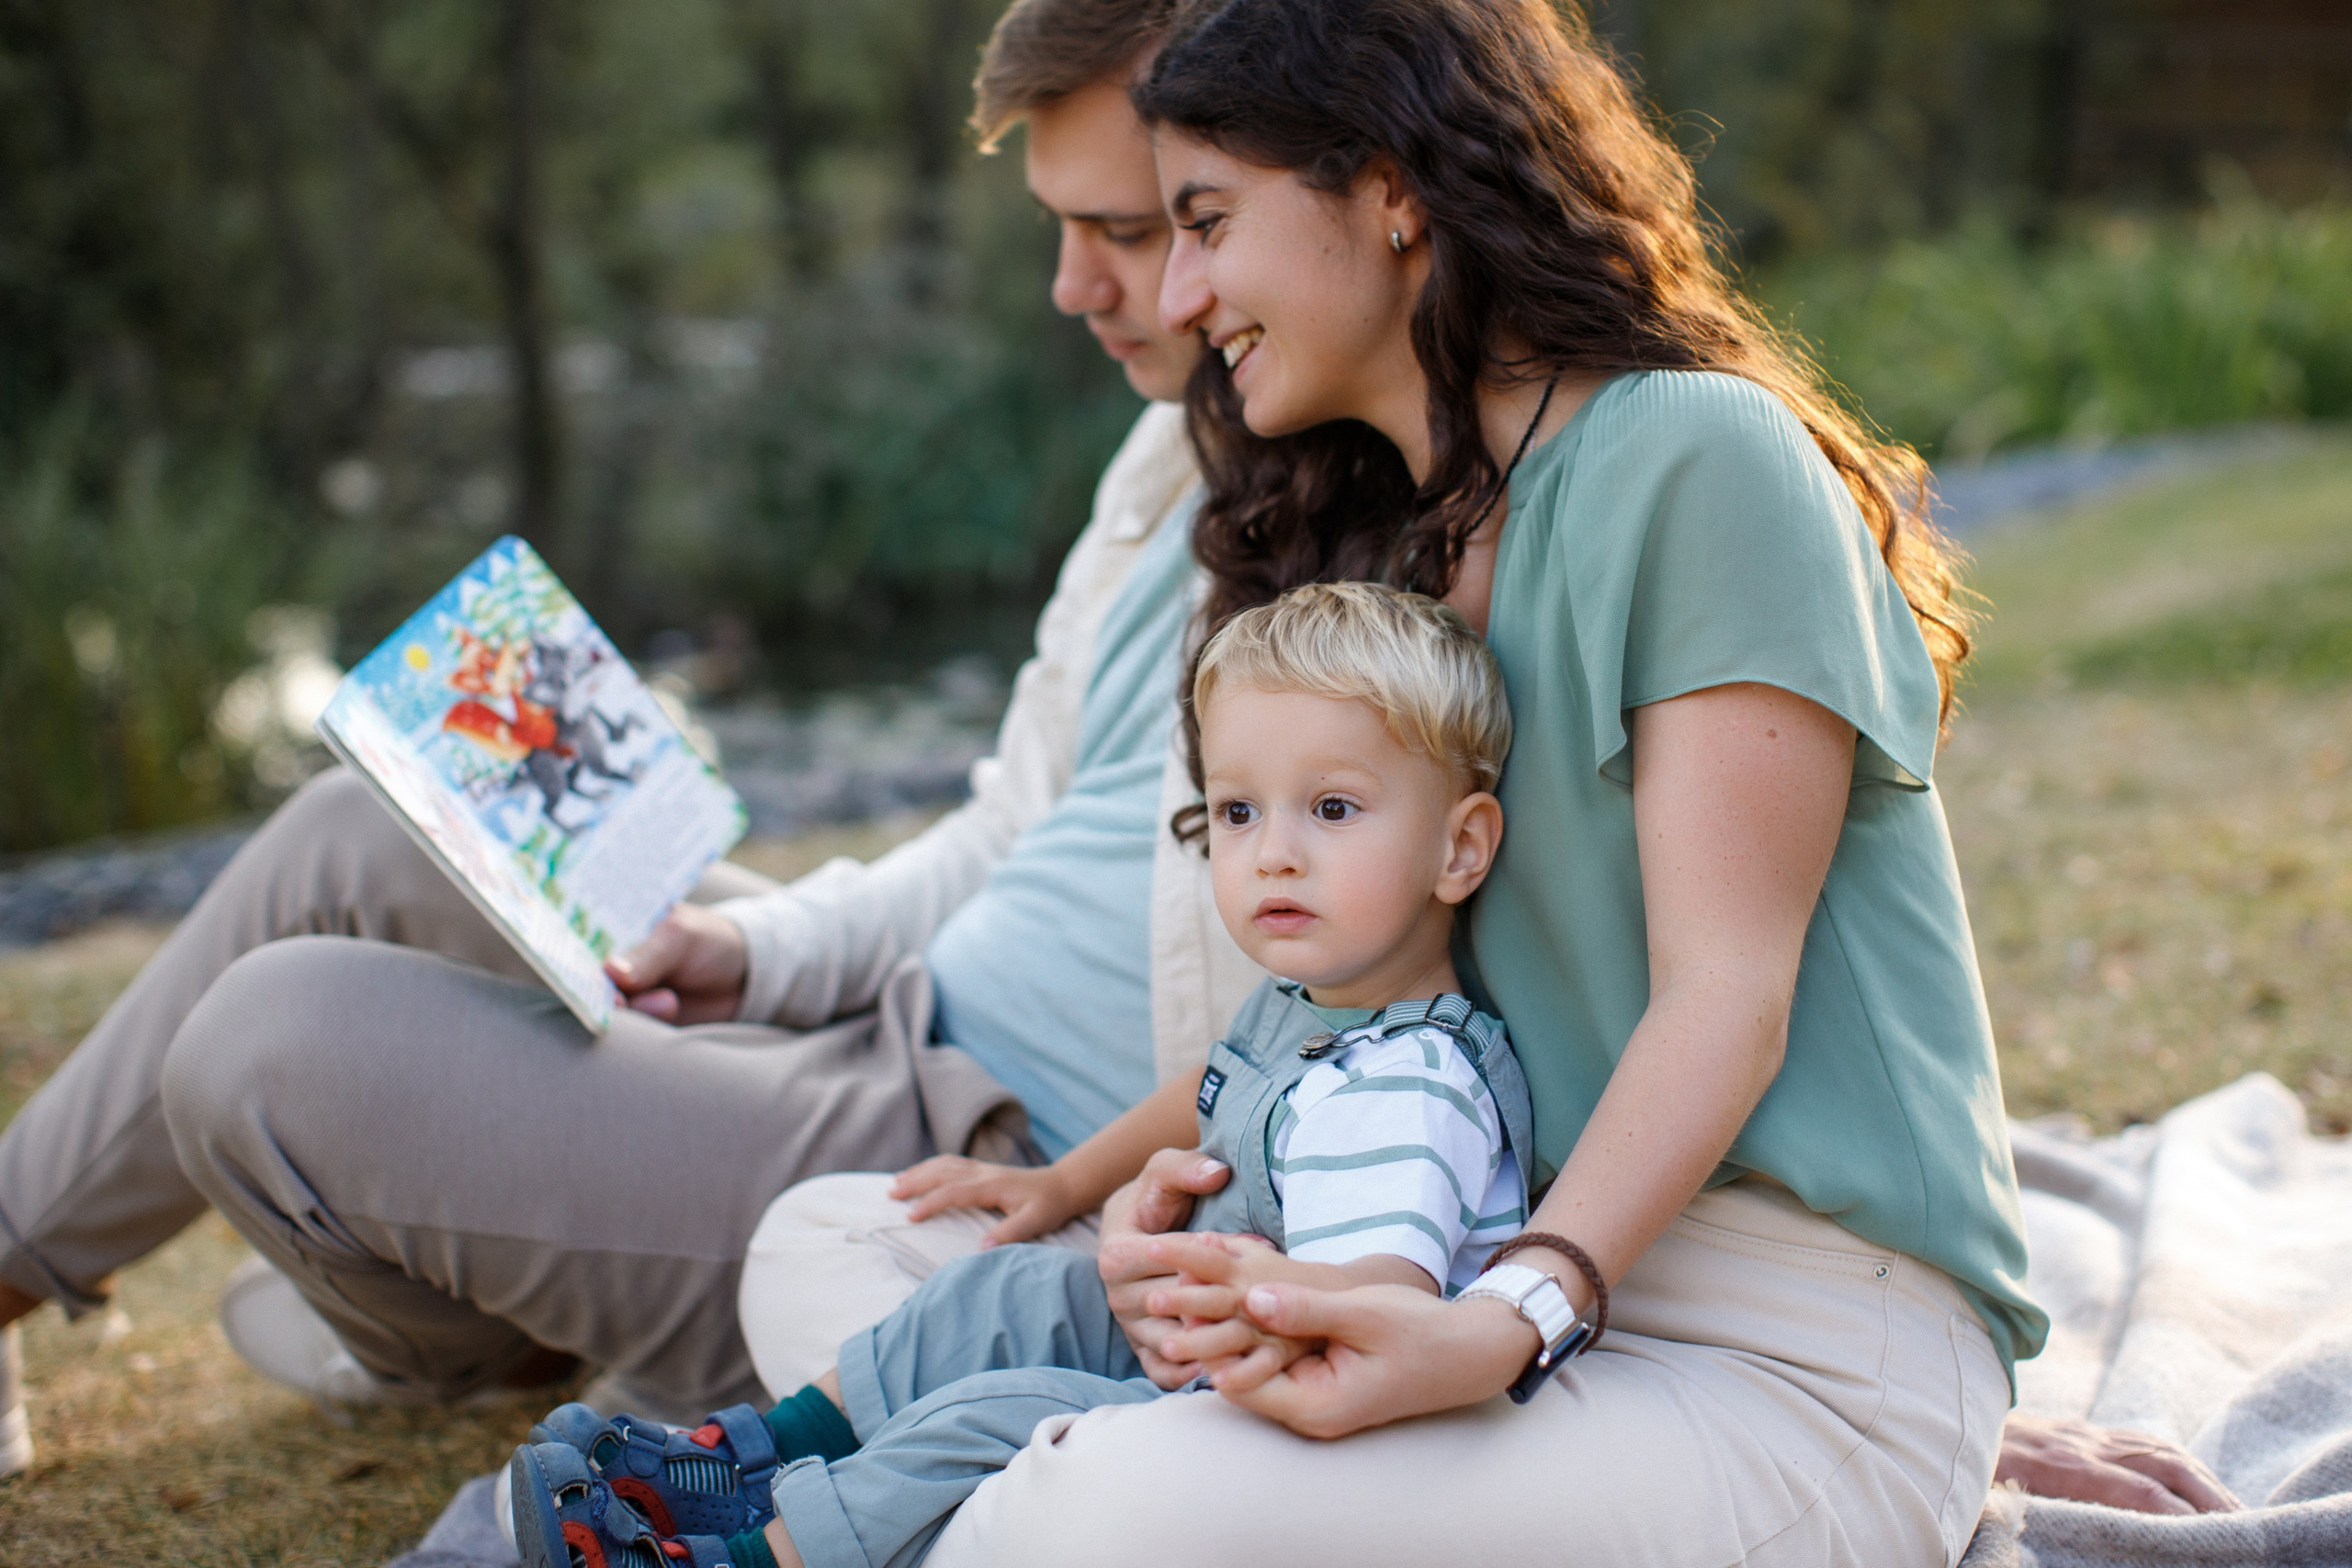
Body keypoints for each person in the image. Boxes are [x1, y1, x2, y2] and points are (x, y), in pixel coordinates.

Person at [745, 2, 2067, 1563]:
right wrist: (1116, 1205)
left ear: (1389, 188)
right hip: (1455, 1256)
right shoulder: (1394, 556)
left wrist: (1513, 1314)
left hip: (1777, 1336)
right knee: (833, 1243)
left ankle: (1048, 1467)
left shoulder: (1696, 459)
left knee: (1076, 1511)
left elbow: (1730, 993)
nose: (1181, 295)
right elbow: (1352, 1017)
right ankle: (1063, 1444)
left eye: (1208, 224)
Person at [0, 0, 1245, 1471]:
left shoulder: (1406, 516)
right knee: (368, 827)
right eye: (1060, 224)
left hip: (982, 1160)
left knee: (265, 1048)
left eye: (1127, 226)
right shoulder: (1172, 453)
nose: (1066, 284)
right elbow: (1009, 825)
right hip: (892, 1014)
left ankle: (487, 1310)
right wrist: (764, 951)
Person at [507, 581, 1532, 1568]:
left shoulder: (1412, 1084)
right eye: (1237, 812)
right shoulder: (1312, 1009)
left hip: (1309, 1421)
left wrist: (1215, 1293)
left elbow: (1377, 1314)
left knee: (1009, 1413)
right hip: (1216, 1346)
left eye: (1334, 809)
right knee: (997, 1292)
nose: (1272, 853)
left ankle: (752, 1556)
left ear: (1459, 847)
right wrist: (1065, 1187)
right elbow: (1203, 1091)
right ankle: (743, 1462)